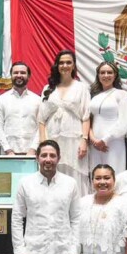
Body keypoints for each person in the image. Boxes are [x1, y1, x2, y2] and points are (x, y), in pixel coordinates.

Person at [39, 50, 91, 195]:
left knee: (75, 175)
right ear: (57, 65)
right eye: (61, 63)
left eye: (68, 62)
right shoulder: (48, 89)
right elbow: (41, 119)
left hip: (74, 139)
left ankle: (76, 208)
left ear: (74, 65)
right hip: (53, 138)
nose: (65, 66)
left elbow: (86, 116)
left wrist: (84, 140)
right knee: (54, 173)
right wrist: (43, 142)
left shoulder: (81, 88)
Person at [88, 61, 127, 174]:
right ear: (98, 75)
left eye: (109, 72)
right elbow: (89, 120)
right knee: (96, 174)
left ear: (115, 75)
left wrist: (104, 140)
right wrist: (93, 140)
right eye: (102, 72)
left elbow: (124, 122)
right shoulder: (94, 96)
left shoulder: (121, 94)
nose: (106, 75)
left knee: (114, 173)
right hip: (94, 144)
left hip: (113, 143)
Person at [0, 62, 41, 155]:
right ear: (11, 76)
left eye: (22, 73)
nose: (19, 75)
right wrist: (8, 150)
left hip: (32, 154)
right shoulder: (1, 100)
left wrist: (33, 149)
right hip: (7, 155)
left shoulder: (37, 100)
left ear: (29, 76)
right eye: (15, 73)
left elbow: (41, 127)